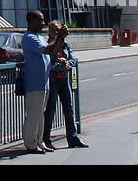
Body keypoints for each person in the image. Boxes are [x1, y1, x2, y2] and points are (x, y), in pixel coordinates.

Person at [42, 21, 88, 149]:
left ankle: (72, 138)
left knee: (69, 109)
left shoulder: (65, 44)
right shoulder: (48, 45)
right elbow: (49, 62)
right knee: (50, 111)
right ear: (48, 32)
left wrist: (68, 63)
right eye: (52, 30)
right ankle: (46, 139)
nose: (55, 33)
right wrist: (61, 65)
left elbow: (73, 59)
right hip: (52, 80)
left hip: (63, 80)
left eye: (57, 30)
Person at [21, 11, 56, 154]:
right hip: (34, 83)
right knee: (33, 115)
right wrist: (58, 37)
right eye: (40, 21)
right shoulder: (29, 37)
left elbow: (52, 51)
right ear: (31, 21)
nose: (43, 23)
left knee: (40, 115)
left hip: (44, 83)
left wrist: (59, 39)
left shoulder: (39, 37)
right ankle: (30, 144)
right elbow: (47, 49)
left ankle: (39, 142)